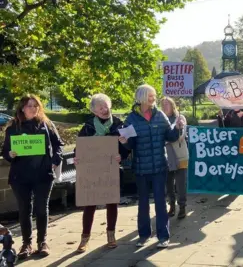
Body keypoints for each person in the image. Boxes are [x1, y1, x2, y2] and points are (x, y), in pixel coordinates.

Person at [119, 84, 184, 248]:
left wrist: (176, 128)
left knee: (161, 202)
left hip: (159, 167)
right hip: (141, 168)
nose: (154, 99)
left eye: (154, 96)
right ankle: (144, 235)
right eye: (150, 96)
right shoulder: (131, 119)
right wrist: (125, 142)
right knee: (143, 204)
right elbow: (130, 145)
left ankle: (163, 236)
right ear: (141, 97)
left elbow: (169, 135)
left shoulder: (159, 115)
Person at [1, 94, 64, 259]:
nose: (33, 108)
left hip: (43, 174)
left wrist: (55, 162)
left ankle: (42, 242)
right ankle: (26, 244)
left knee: (42, 210)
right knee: (24, 210)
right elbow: (5, 152)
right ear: (22, 108)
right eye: (29, 105)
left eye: (36, 105)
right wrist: (10, 154)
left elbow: (58, 145)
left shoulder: (46, 124)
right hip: (20, 177)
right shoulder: (13, 127)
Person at [74, 94, 130, 253]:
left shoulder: (119, 125)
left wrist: (122, 155)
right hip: (92, 172)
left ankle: (111, 235)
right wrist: (77, 158)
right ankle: (84, 238)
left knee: (112, 203)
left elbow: (127, 147)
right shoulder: (88, 127)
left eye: (106, 106)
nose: (105, 110)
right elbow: (79, 148)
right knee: (89, 204)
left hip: (112, 170)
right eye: (101, 108)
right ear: (94, 111)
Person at [160, 97, 189, 220]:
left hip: (180, 155)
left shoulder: (180, 118)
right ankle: (171, 205)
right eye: (163, 104)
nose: (165, 106)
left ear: (173, 105)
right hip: (166, 156)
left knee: (180, 183)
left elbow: (181, 135)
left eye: (168, 104)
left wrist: (178, 129)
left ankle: (182, 207)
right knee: (168, 183)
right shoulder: (160, 119)